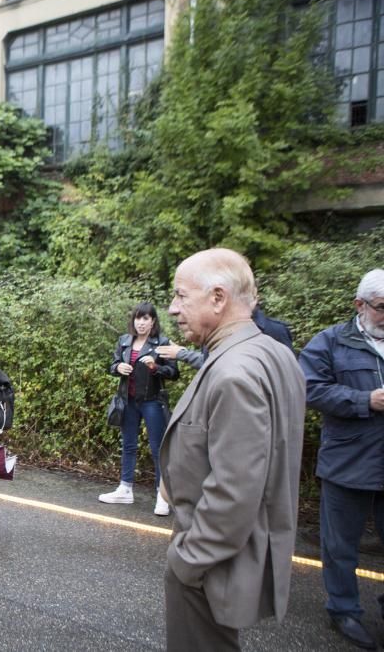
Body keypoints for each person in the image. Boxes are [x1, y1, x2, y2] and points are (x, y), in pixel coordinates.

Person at [159, 248, 305, 651]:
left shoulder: (233, 372)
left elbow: (235, 489)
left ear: (218, 298)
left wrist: (187, 561)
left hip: (211, 563)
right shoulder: (273, 353)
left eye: (181, 296)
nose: (172, 308)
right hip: (229, 554)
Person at [298, 268, 384, 650]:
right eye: (382, 307)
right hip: (348, 461)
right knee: (340, 545)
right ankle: (344, 611)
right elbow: (310, 389)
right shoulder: (330, 341)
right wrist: (365, 400)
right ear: (359, 305)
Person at [99, 303, 179, 516]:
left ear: (153, 321)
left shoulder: (161, 343)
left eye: (146, 318)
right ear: (133, 320)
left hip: (152, 401)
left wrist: (155, 367)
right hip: (128, 401)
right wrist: (118, 368)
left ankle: (162, 496)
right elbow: (113, 365)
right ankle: (125, 489)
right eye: (138, 318)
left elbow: (173, 373)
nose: (141, 323)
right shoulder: (125, 341)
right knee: (128, 445)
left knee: (157, 449)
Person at [157, 305, 293, 368]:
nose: (173, 309)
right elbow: (209, 363)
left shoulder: (275, 330)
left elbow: (289, 378)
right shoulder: (214, 329)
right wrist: (182, 354)